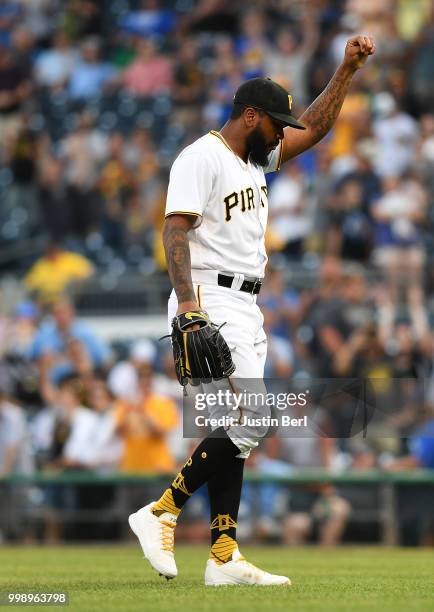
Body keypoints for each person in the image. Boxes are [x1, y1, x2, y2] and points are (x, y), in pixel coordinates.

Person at [128, 36, 375, 586]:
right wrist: (190, 307)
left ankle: (223, 557)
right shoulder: (203, 156)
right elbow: (175, 230)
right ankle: (161, 511)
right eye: (275, 121)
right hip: (209, 297)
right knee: (256, 419)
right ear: (249, 115)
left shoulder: (254, 158)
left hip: (245, 301)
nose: (283, 131)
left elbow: (315, 127)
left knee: (230, 429)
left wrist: (346, 69)